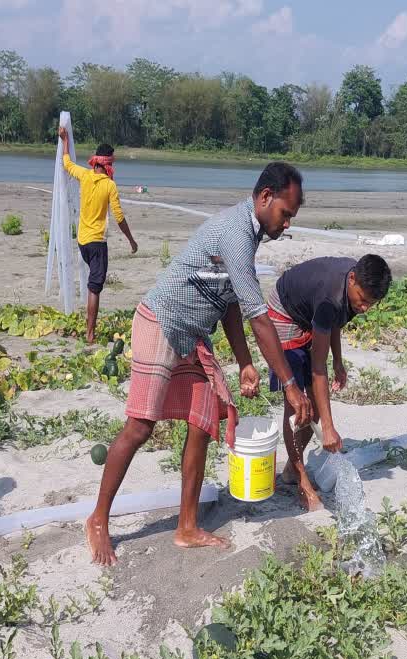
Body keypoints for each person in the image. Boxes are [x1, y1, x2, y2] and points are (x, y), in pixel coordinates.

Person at [85, 162, 313, 566]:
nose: (286, 223)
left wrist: (244, 361)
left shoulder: (248, 233)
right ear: (265, 198)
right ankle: (98, 519)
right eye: (285, 213)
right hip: (160, 322)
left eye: (291, 216)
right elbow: (257, 316)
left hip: (192, 336)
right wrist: (290, 385)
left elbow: (227, 304)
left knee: (202, 421)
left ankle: (186, 526)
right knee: (139, 428)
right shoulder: (236, 233)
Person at [266, 255, 391, 511]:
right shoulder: (329, 297)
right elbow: (317, 368)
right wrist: (330, 428)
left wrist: (338, 361)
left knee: (315, 407)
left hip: (309, 312)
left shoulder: (350, 290)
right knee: (298, 409)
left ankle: (291, 470)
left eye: (372, 303)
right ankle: (302, 484)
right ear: (352, 278)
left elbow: (334, 321)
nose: (365, 308)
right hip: (284, 312)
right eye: (363, 300)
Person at [58, 125, 139, 345]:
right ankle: (90, 334)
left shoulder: (85, 176)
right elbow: (119, 217)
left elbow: (67, 164)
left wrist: (65, 140)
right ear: (107, 164)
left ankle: (89, 327)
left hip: (82, 241)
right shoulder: (110, 186)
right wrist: (131, 241)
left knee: (93, 283)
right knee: (95, 288)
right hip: (96, 243)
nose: (113, 167)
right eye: (112, 163)